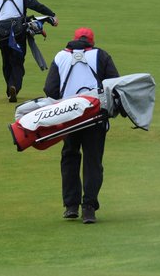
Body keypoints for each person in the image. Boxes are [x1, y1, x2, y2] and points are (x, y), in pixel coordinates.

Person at [43, 27, 120, 224]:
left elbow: (50, 89)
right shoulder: (101, 55)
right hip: (95, 116)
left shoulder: (60, 56)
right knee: (93, 160)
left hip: (68, 117)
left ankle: (70, 206)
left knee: (69, 156)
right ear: (91, 42)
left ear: (74, 40)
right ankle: (89, 208)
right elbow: (115, 84)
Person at [0, 0, 56, 103]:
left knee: (6, 60)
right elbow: (37, 6)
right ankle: (14, 87)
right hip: (18, 31)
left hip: (2, 31)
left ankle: (9, 89)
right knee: (17, 60)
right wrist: (52, 15)